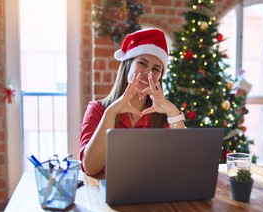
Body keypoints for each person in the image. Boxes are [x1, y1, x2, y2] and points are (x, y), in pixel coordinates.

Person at [78, 28, 186, 176]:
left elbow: (184, 161)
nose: (148, 73)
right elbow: (90, 168)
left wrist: (173, 113)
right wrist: (111, 113)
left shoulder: (162, 115)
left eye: (156, 69)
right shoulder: (98, 109)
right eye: (142, 63)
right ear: (128, 65)